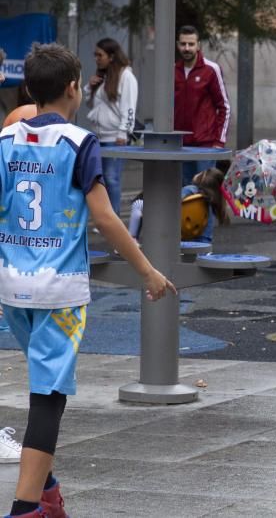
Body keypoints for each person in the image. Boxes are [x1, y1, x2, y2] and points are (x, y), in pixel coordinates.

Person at [0, 43, 175, 518]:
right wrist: (148, 270)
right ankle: (25, 507)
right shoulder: (80, 143)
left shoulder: (5, 141)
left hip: (12, 288)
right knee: (47, 398)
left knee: (42, 384)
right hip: (59, 290)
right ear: (74, 88)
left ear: (31, 89)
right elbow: (106, 219)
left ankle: (48, 489)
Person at [83, 37, 138, 216]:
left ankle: (113, 216)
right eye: (95, 55)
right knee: (101, 180)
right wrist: (89, 88)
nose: (96, 59)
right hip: (99, 136)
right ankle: (104, 215)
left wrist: (124, 132)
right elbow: (92, 106)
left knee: (112, 178)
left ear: (112, 56)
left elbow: (129, 107)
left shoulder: (126, 76)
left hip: (116, 137)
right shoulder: (103, 77)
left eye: (100, 55)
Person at [174, 25, 230, 185]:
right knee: (185, 192)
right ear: (178, 44)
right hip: (180, 144)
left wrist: (219, 142)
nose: (187, 48)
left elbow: (224, 106)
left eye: (191, 44)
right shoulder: (172, 70)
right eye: (183, 44)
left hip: (205, 145)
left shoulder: (211, 70)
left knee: (205, 192)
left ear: (198, 45)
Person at [128, 167, 229, 244]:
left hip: (170, 223)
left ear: (202, 178)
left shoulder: (190, 189)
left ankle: (131, 238)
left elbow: (174, 202)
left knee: (137, 204)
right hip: (196, 235)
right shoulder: (209, 200)